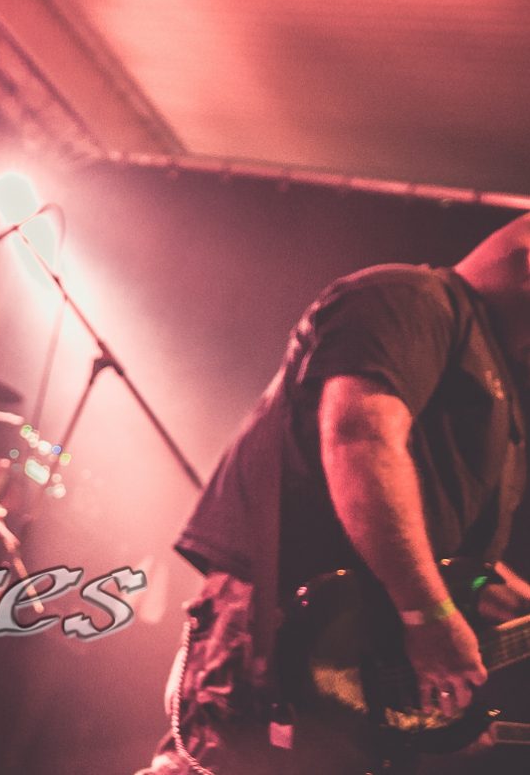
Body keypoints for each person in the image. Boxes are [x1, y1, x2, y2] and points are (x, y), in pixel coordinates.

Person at [138, 213, 530, 774]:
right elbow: (360, 439)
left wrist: (478, 622)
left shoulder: (496, 379)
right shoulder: (412, 298)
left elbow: (454, 558)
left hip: (355, 676)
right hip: (287, 637)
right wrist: (429, 614)